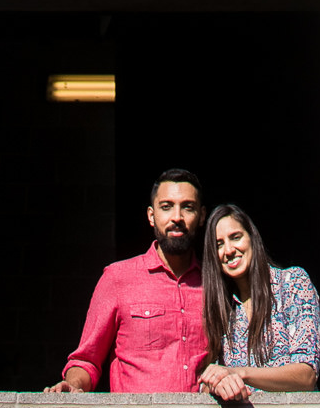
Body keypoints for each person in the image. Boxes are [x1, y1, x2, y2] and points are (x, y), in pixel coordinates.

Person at [45, 168, 208, 393]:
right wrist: (72, 385)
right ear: (151, 215)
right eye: (166, 206)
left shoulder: (216, 283)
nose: (177, 217)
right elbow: (86, 360)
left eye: (187, 207)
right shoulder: (118, 278)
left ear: (202, 216)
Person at [197, 202, 320, 403]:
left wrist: (240, 374)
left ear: (252, 238)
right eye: (219, 244)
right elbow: (205, 380)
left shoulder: (293, 284)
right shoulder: (222, 309)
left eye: (235, 237)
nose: (228, 250)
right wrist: (216, 384)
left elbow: (306, 375)